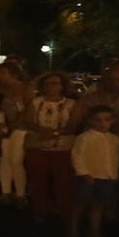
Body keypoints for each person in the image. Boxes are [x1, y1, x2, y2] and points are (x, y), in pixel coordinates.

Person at [25, 72, 76, 228]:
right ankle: (40, 210)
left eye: (55, 83)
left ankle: (63, 210)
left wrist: (55, 133)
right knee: (38, 180)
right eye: (47, 84)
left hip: (62, 148)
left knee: (63, 181)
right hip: (38, 147)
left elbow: (74, 124)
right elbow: (29, 121)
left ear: (62, 86)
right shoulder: (35, 102)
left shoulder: (72, 104)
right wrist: (42, 131)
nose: (51, 87)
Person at [70, 105, 119, 237]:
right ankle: (73, 234)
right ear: (90, 121)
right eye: (98, 120)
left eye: (107, 120)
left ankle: (94, 234)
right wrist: (84, 173)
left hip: (107, 177)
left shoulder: (114, 139)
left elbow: (114, 158)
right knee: (80, 205)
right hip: (88, 177)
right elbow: (77, 156)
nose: (103, 123)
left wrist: (113, 175)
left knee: (98, 206)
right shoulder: (85, 137)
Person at [0, 61, 34, 207]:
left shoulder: (26, 88)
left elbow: (28, 109)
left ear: (14, 75)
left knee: (16, 160)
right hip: (6, 127)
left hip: (21, 128)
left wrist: (14, 124)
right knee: (5, 158)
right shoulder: (2, 90)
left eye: (3, 73)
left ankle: (20, 194)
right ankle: (5, 191)